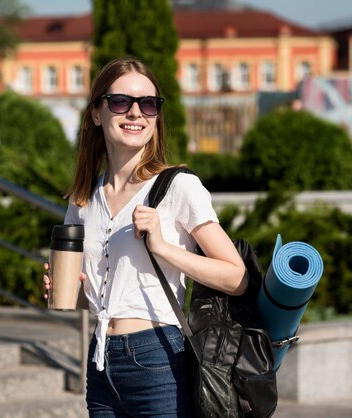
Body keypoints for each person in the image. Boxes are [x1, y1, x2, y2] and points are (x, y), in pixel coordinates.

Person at [43, 57, 247, 417]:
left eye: (148, 104)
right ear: (96, 113)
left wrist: (164, 247)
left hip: (158, 357)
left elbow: (236, 277)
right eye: (121, 102)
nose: (136, 113)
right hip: (101, 359)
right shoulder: (84, 198)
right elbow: (102, 296)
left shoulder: (178, 187)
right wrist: (66, 293)